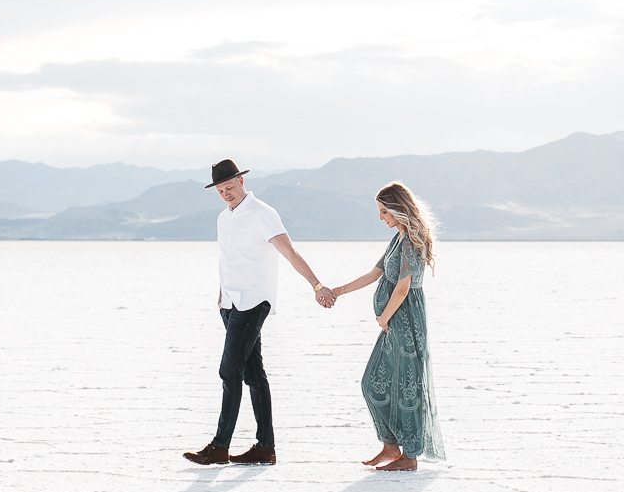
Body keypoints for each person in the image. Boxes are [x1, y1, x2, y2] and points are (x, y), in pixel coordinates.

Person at [182, 159, 329, 467]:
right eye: (220, 190)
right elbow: (228, 258)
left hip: (253, 302)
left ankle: (219, 446)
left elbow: (290, 252)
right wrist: (221, 293)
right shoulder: (224, 218)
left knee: (229, 371)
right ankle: (265, 447)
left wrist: (317, 285)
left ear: (242, 182)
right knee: (252, 373)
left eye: (230, 187)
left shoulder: (263, 213)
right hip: (229, 304)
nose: (226, 194)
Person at [317, 181, 446, 471]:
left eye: (383, 211)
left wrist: (385, 317)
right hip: (392, 323)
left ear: (398, 209)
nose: (381, 218)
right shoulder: (398, 238)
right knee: (372, 383)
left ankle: (409, 456)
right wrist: (336, 291)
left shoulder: (413, 240)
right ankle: (390, 446)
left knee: (406, 387)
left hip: (405, 321)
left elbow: (403, 287)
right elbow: (374, 274)